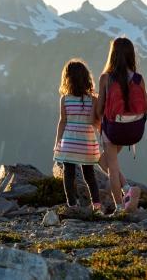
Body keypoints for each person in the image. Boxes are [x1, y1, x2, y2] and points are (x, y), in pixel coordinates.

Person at [96, 37, 147, 214]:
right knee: (103, 161)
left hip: (112, 130)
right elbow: (145, 106)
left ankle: (119, 207)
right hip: (133, 130)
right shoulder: (139, 79)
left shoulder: (106, 78)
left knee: (112, 166)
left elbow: (99, 109)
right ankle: (128, 190)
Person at [53, 59, 103, 214]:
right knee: (90, 176)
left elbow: (63, 121)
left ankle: (72, 205)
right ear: (86, 78)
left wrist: (58, 141)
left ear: (67, 79)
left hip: (69, 142)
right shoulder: (92, 99)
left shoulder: (64, 99)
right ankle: (96, 206)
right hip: (86, 143)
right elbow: (95, 121)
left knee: (69, 175)